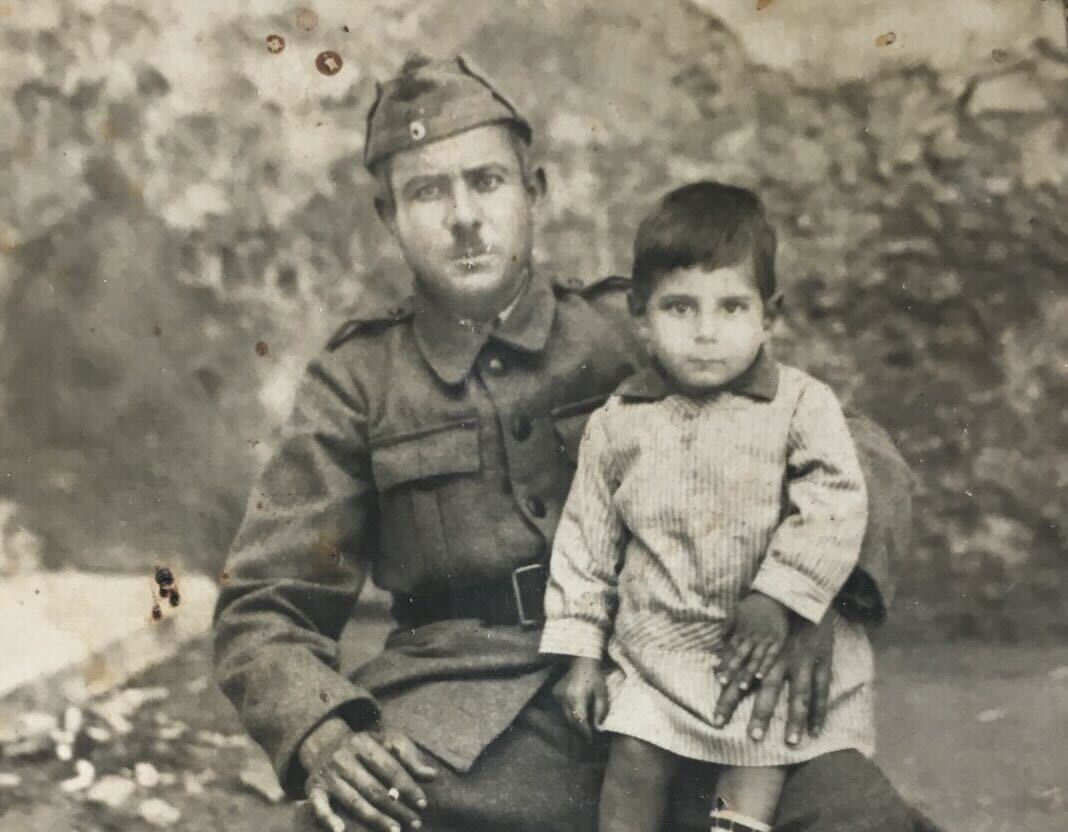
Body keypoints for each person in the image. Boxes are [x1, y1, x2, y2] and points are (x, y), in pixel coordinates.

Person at [212, 53, 931, 832]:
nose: (462, 217)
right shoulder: (358, 381)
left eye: (486, 182)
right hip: (462, 727)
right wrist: (324, 732)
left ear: (535, 192)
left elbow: (853, 448)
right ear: (388, 216)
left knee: (858, 821)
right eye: (427, 192)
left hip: (686, 683)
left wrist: (806, 603)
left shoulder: (643, 325)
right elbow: (265, 602)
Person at [540, 182, 875, 832]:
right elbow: (585, 544)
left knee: (756, 758)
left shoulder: (800, 406)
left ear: (769, 317)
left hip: (761, 649)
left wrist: (777, 595)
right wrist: (581, 656)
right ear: (640, 314)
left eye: (731, 307)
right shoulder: (619, 423)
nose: (705, 332)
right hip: (659, 646)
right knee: (632, 754)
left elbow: (836, 500)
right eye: (679, 307)